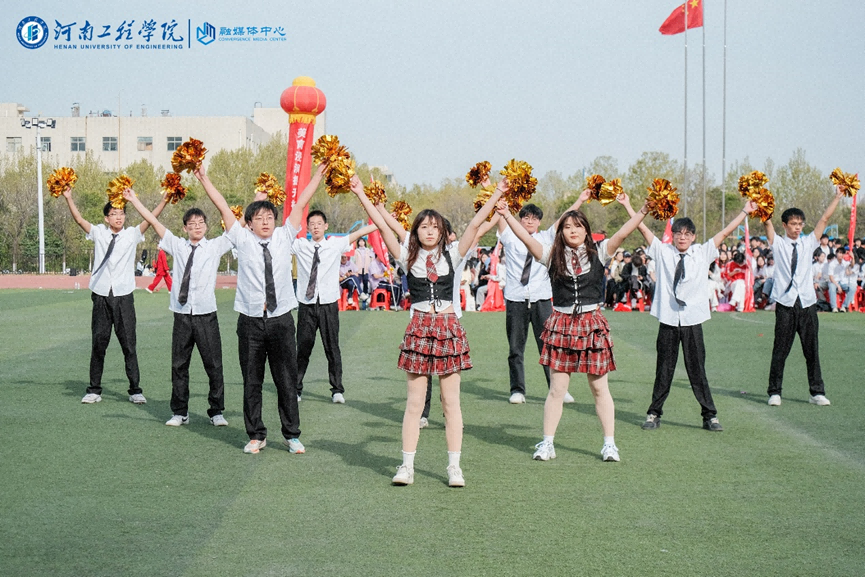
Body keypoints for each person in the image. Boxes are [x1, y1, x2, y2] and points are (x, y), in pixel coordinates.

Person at [351, 175, 503, 487]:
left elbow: (476, 224)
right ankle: (407, 466)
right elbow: (382, 225)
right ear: (415, 232)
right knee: (414, 404)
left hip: (448, 327)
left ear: (443, 231)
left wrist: (498, 192)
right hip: (419, 327)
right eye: (423, 227)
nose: (430, 231)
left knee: (451, 403)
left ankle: (454, 467)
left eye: (435, 226)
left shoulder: (454, 254)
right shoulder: (407, 257)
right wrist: (359, 193)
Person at [497, 189, 650, 463]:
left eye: (578, 226)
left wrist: (642, 211)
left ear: (586, 230)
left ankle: (609, 444)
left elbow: (623, 233)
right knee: (557, 389)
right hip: (562, 323)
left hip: (592, 323)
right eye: (567, 226)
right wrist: (507, 214)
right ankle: (547, 443)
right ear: (561, 231)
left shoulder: (600, 251)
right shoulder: (550, 254)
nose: (572, 231)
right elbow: (525, 238)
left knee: (599, 388)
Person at [203, 163, 326, 453]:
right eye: (259, 218)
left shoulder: (285, 236)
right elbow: (222, 206)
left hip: (281, 320)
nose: (265, 222)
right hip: (251, 321)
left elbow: (301, 203)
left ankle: (291, 434)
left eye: (270, 217)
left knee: (286, 380)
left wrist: (318, 175)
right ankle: (256, 435)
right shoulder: (242, 238)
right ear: (249, 223)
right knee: (252, 381)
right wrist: (204, 177)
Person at [622, 195, 757, 432]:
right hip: (669, 319)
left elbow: (725, 232)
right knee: (664, 369)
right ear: (673, 235)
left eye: (687, 234)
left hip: (692, 320)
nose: (682, 237)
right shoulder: (663, 252)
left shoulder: (702, 252)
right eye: (678, 233)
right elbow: (642, 228)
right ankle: (654, 413)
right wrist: (627, 205)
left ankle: (710, 415)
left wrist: (744, 212)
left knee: (697, 369)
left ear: (693, 236)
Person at [123, 186, 233, 427]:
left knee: (214, 365)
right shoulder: (177, 245)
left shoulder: (215, 246)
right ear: (185, 228)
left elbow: (238, 225)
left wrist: (259, 198)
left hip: (206, 314)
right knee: (179, 365)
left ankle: (216, 411)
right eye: (192, 224)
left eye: (201, 223)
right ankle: (180, 412)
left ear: (206, 226)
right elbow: (153, 221)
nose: (197, 227)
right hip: (182, 315)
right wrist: (133, 200)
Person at [61, 186, 166, 404]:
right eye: (114, 214)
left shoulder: (131, 235)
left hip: (123, 295)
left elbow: (150, 219)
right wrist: (69, 198)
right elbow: (79, 220)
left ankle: (135, 390)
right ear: (106, 218)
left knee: (129, 345)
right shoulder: (99, 232)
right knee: (99, 343)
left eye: (121, 213)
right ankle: (94, 390)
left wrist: (164, 201)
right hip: (101, 294)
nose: (118, 217)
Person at [763, 185, 846, 407]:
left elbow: (824, 220)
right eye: (793, 224)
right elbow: (767, 223)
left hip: (807, 303)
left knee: (812, 350)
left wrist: (837, 197)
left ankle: (816, 392)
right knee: (780, 349)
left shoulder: (808, 242)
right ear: (784, 225)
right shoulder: (778, 243)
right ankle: (774, 391)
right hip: (786, 303)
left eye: (800, 224)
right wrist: (760, 200)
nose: (798, 227)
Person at [294, 209, 377, 404]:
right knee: (303, 348)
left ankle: (337, 390)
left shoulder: (335, 244)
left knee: (332, 347)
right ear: (307, 227)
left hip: (328, 304)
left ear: (326, 226)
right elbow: (278, 238)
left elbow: (360, 232)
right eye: (312, 224)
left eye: (319, 223)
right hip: (307, 304)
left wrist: (382, 221)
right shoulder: (300, 245)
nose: (315, 227)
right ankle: (296, 389)